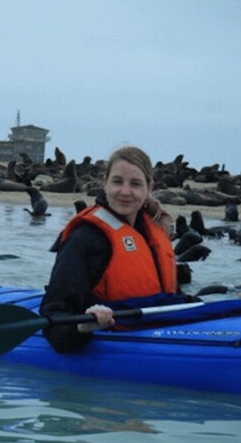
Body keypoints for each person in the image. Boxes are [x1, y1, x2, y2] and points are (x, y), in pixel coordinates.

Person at [40, 145, 179, 352]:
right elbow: (55, 316)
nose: (125, 191)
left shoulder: (153, 232)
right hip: (105, 334)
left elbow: (175, 300)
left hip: (156, 325)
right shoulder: (84, 239)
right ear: (105, 183)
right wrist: (83, 326)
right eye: (117, 182)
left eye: (135, 184)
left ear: (149, 188)